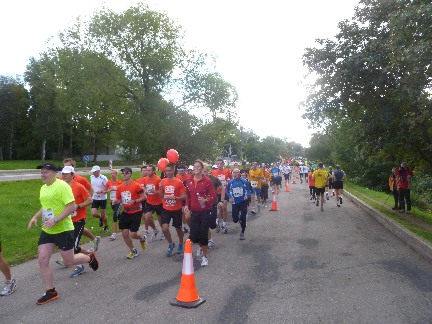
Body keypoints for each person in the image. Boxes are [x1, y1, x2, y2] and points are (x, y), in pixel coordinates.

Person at [28, 162, 99, 305]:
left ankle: (89, 257)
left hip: (64, 229)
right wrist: (35, 217)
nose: (42, 174)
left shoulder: (63, 186)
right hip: (48, 229)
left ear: (54, 173)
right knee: (42, 260)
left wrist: (56, 219)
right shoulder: (43, 188)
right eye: (41, 172)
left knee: (69, 261)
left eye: (45, 172)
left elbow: (71, 206)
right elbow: (45, 206)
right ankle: (50, 291)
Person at [61, 166, 94, 277]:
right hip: (66, 220)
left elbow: (89, 200)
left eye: (66, 174)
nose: (63, 175)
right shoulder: (61, 186)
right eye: (62, 173)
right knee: (67, 244)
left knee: (73, 247)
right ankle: (89, 254)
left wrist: (78, 206)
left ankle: (81, 265)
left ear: (72, 175)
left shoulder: (79, 187)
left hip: (79, 220)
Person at [62, 158, 100, 252]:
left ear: (73, 168)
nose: (65, 171)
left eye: (68, 167)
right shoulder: (61, 180)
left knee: (76, 231)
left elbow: (90, 190)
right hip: (67, 214)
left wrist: (83, 204)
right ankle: (94, 239)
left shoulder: (80, 180)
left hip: (78, 212)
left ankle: (75, 256)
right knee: (79, 230)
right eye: (64, 167)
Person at [184, 160, 216, 267]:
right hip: (194, 211)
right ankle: (201, 246)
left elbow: (213, 196)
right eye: (195, 166)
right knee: (193, 236)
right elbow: (188, 195)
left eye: (198, 167)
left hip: (205, 211)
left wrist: (206, 200)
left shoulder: (207, 181)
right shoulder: (189, 181)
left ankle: (204, 257)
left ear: (202, 169)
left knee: (203, 234)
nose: (196, 168)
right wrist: (187, 206)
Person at [113, 167, 147, 259]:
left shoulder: (136, 186)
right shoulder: (120, 187)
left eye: (126, 173)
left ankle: (141, 238)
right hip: (125, 212)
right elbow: (119, 199)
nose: (124, 174)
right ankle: (133, 250)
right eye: (123, 173)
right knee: (124, 233)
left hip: (136, 211)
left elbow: (144, 197)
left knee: (133, 234)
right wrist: (115, 201)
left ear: (130, 174)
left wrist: (135, 201)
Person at [159, 163, 186, 256]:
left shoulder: (178, 182)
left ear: (173, 170)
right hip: (166, 208)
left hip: (176, 209)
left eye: (170, 170)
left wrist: (175, 198)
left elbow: (184, 196)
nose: (168, 172)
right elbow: (161, 196)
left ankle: (181, 243)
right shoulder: (163, 181)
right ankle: (171, 243)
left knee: (178, 229)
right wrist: (159, 188)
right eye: (166, 170)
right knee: (165, 228)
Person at [226, 168, 251, 240]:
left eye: (237, 172)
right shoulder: (230, 182)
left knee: (243, 219)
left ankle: (242, 232)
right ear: (232, 174)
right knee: (235, 219)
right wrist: (230, 197)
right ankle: (238, 219)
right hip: (234, 202)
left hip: (243, 201)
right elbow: (227, 191)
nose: (235, 174)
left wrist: (247, 196)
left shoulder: (244, 181)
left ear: (239, 174)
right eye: (234, 172)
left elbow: (248, 191)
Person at [202, 164, 223, 247]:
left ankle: (216, 222)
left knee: (212, 225)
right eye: (202, 171)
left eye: (205, 171)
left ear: (208, 171)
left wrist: (221, 200)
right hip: (203, 205)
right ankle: (210, 240)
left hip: (213, 203)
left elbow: (222, 188)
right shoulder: (198, 179)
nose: (203, 173)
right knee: (205, 223)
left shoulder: (214, 179)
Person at [142, 165, 163, 240]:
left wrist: (155, 191)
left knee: (160, 220)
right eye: (147, 170)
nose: (148, 172)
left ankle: (163, 232)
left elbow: (161, 193)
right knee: (146, 217)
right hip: (149, 202)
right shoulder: (145, 179)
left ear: (154, 171)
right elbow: (145, 189)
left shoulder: (158, 180)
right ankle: (155, 229)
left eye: (149, 170)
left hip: (158, 202)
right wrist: (144, 191)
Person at [211, 159, 231, 233]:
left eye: (220, 164)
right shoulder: (213, 172)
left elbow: (231, 179)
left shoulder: (227, 171)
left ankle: (224, 224)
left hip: (225, 191)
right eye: (218, 164)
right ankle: (222, 221)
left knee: (224, 207)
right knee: (220, 208)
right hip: (217, 193)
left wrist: (228, 186)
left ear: (223, 164)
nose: (219, 165)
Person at [104, 169, 123, 240]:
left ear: (117, 174)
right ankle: (124, 227)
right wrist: (108, 190)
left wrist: (117, 188)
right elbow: (104, 191)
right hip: (112, 201)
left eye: (114, 173)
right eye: (111, 174)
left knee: (115, 215)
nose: (113, 175)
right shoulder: (109, 182)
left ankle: (114, 234)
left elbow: (123, 191)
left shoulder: (120, 182)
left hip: (118, 201)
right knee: (118, 215)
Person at [90, 165, 109, 232]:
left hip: (102, 198)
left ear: (98, 171)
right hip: (95, 198)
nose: (93, 173)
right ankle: (100, 217)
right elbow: (92, 187)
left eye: (95, 172)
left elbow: (108, 187)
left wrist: (102, 191)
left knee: (104, 215)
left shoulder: (103, 178)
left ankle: (106, 225)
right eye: (93, 172)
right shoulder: (91, 177)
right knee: (94, 214)